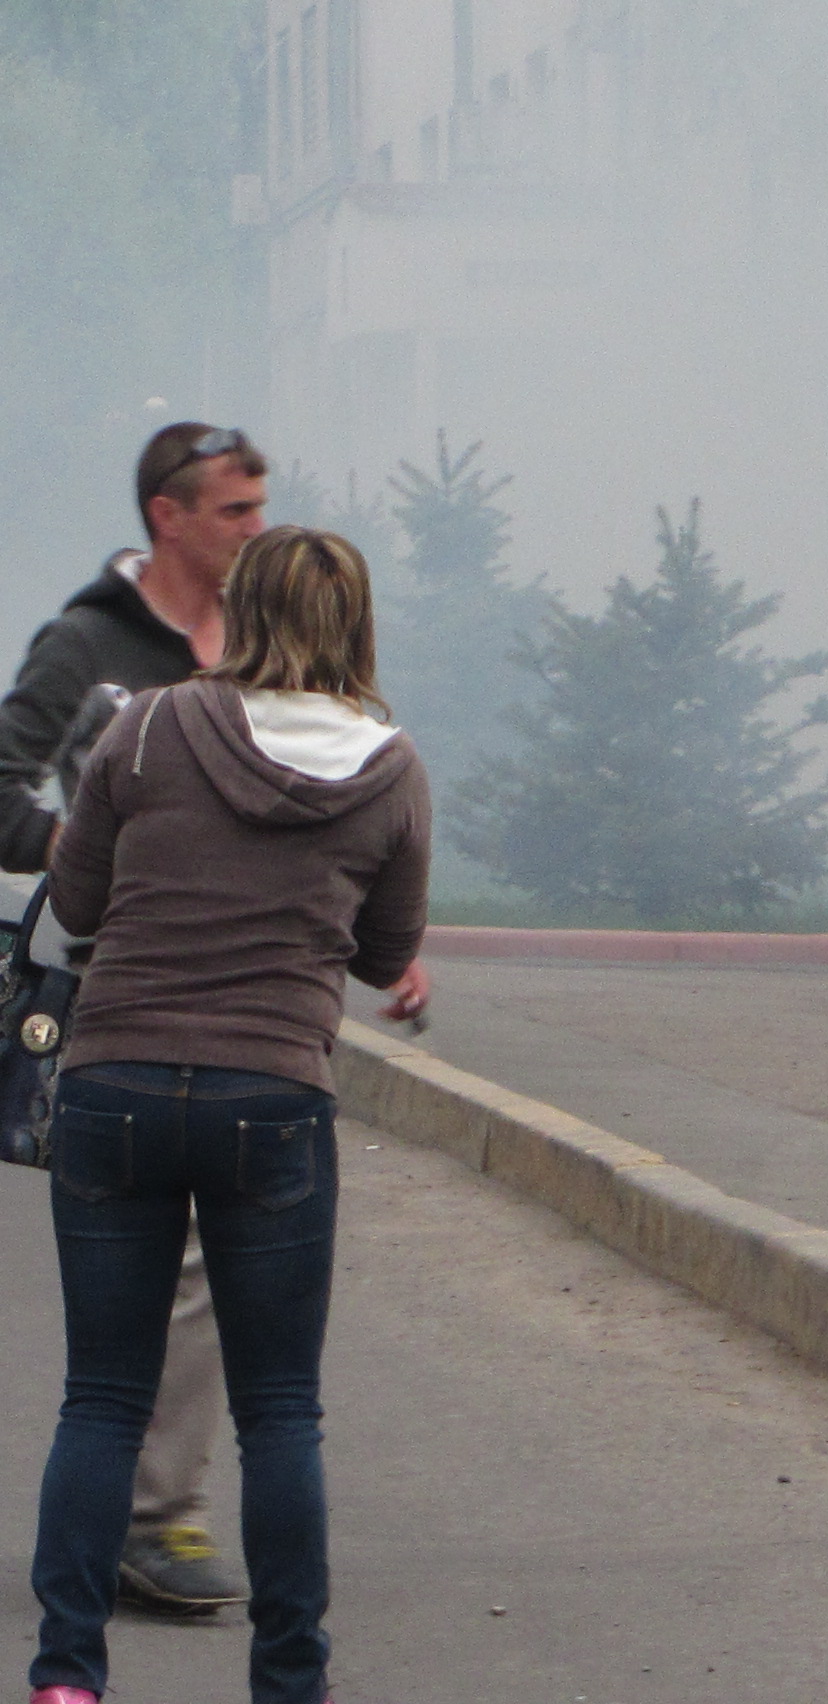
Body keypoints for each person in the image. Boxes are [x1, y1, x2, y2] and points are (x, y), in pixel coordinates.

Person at [25, 526, 432, 1704]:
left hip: (117, 1085)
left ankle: (65, 1678)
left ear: (242, 612)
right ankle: (290, 1685)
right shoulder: (391, 767)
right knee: (280, 1413)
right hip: (273, 1095)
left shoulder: (146, 727)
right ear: (355, 621)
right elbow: (384, 953)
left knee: (101, 1398)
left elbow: (79, 899)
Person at [1, 420, 271, 1621]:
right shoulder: (89, 649)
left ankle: (159, 1517)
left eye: (262, 510)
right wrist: (77, 850)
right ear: (170, 516)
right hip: (110, 990)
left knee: (211, 1262)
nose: (256, 532)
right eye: (235, 512)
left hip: (246, 990)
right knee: (135, 1259)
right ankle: (123, 1511)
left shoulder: (265, 644)